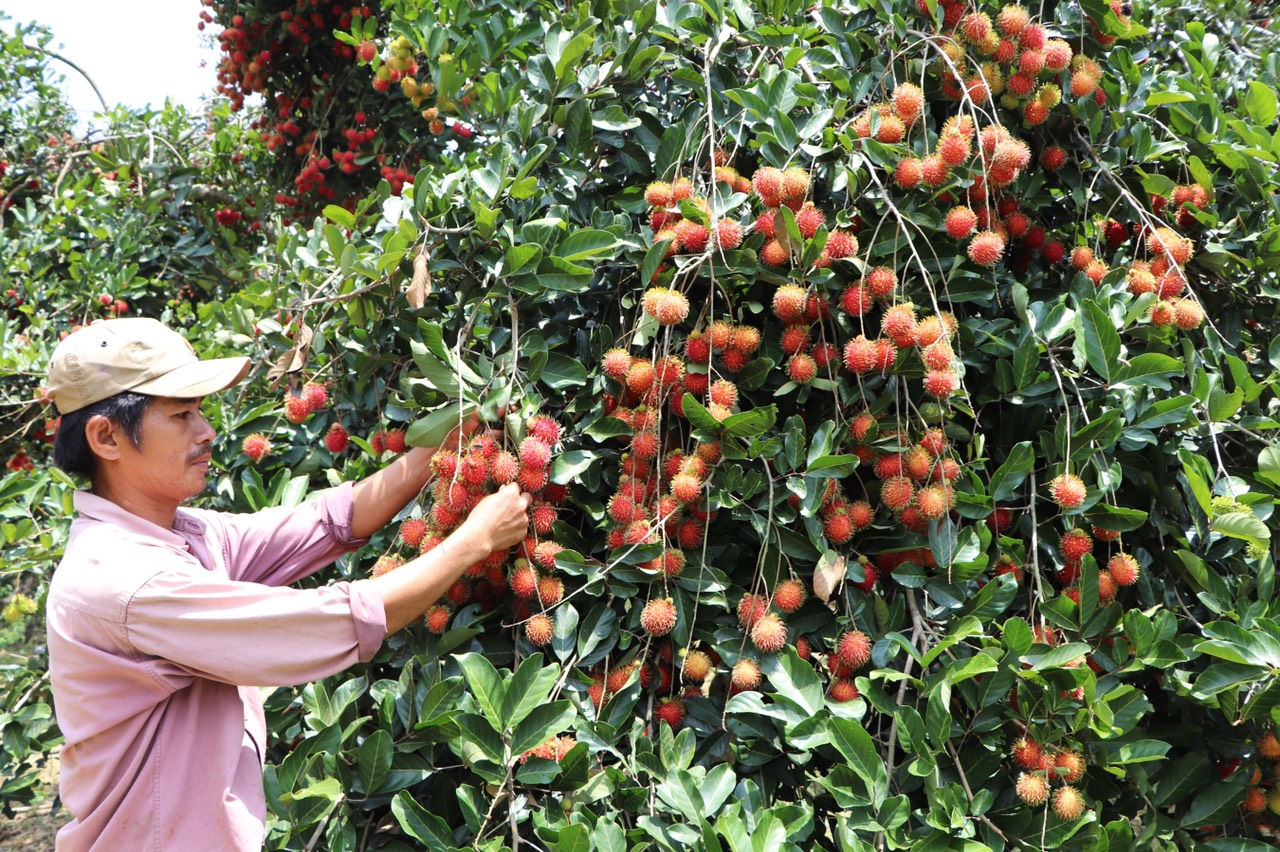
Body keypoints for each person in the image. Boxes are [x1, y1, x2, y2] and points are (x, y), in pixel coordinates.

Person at [43, 317, 532, 851]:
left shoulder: (182, 535)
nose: (206, 432)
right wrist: (473, 541)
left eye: (200, 411)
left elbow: (327, 522)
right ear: (106, 437)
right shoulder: (125, 580)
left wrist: (441, 445)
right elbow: (333, 621)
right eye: (181, 415)